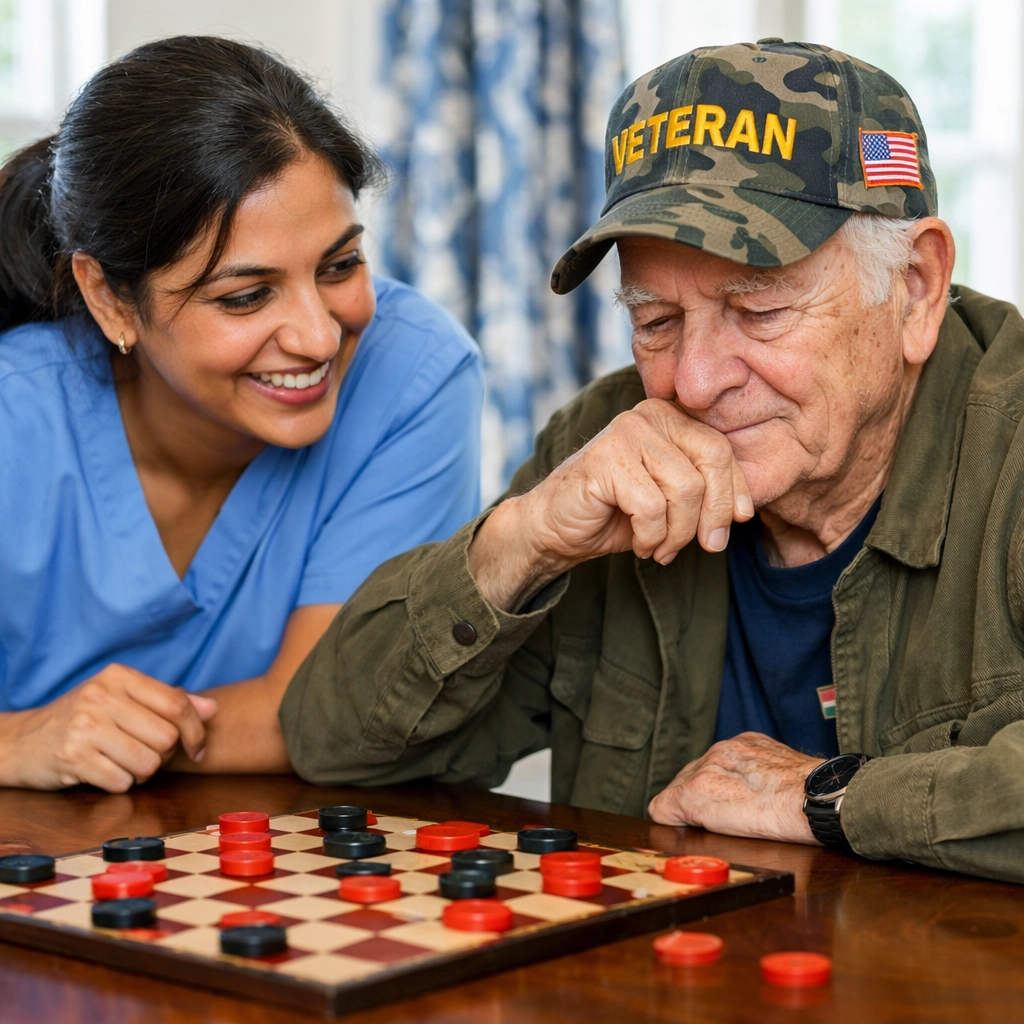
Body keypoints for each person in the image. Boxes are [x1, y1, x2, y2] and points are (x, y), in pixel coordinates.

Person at [280, 40, 1024, 885]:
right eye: (656, 320)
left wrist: (828, 800)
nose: (695, 383)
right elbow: (332, 747)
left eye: (758, 308)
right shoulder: (608, 438)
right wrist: (520, 545)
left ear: (917, 289)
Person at [0, 36, 483, 792]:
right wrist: (18, 742)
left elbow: (328, 709)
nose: (320, 336)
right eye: (246, 296)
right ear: (106, 297)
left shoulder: (413, 375)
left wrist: (133, 738)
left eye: (340, 265)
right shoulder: (15, 414)